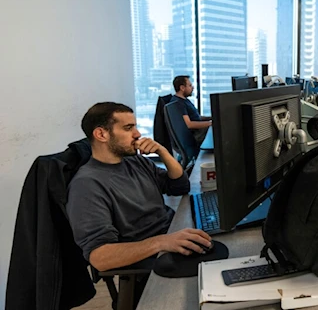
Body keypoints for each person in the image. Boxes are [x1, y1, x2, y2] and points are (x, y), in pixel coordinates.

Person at [67, 102, 212, 274]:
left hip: (172, 234)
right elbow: (99, 257)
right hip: (153, 257)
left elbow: (179, 186)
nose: (138, 134)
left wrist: (162, 152)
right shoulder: (87, 185)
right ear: (101, 134)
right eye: (128, 128)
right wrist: (162, 242)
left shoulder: (134, 161)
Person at [170, 75, 212, 145]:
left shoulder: (184, 100)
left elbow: (196, 117)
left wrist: (211, 118)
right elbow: (189, 124)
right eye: (190, 85)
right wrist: (210, 123)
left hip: (198, 132)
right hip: (196, 136)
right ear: (182, 88)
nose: (192, 87)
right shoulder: (178, 103)